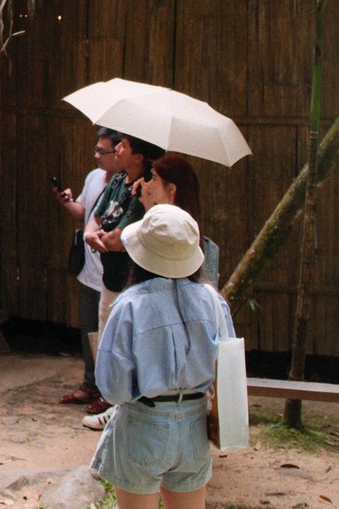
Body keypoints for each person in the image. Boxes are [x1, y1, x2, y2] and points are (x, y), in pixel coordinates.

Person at [91, 203, 235, 509]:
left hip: (143, 427)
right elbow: (228, 365)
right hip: (194, 427)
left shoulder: (129, 305)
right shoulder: (213, 302)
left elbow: (110, 386)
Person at [83, 131, 164, 430]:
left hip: (134, 280)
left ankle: (126, 408)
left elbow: (120, 238)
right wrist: (93, 233)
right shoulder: (117, 181)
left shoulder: (145, 188)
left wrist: (100, 236)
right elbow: (95, 218)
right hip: (110, 276)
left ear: (138, 157)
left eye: (123, 145)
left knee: (129, 343)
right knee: (106, 339)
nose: (116, 149)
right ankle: (111, 402)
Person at [55, 129, 123, 410]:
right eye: (96, 149)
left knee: (111, 334)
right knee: (88, 331)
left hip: (113, 272)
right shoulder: (94, 177)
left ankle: (110, 392)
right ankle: (90, 383)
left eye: (102, 151)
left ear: (120, 152)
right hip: (89, 270)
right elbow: (85, 213)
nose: (96, 156)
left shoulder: (124, 185)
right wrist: (68, 202)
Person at [137, 154, 219, 285]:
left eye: (154, 178)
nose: (148, 184)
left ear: (171, 188)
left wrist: (148, 206)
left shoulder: (200, 244)